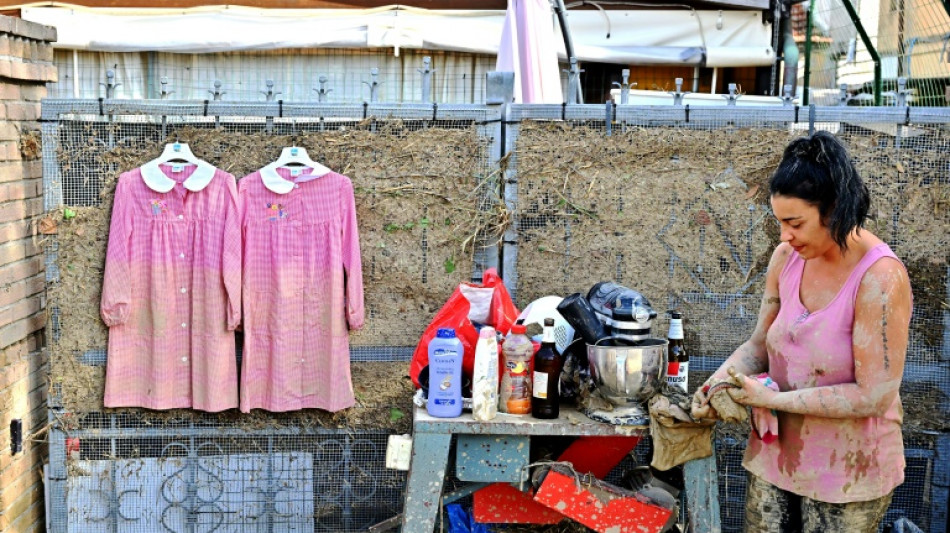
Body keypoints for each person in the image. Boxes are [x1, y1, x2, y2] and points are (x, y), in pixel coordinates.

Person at [691, 131, 913, 532]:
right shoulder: (785, 258)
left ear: (834, 210)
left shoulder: (880, 278)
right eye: (779, 222)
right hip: (776, 458)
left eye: (794, 223)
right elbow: (760, 344)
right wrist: (716, 384)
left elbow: (874, 396)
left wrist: (774, 398)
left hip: (848, 471)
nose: (784, 236)